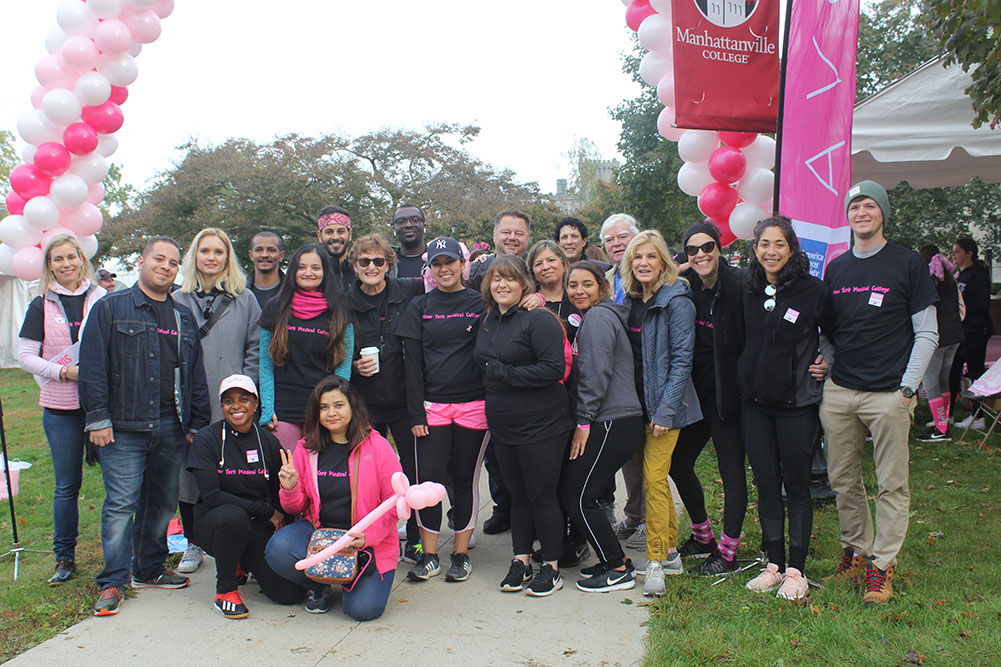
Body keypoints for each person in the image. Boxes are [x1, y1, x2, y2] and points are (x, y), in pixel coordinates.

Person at [79, 236, 212, 616]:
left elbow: (193, 374)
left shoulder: (181, 316)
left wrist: (195, 423)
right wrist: (98, 419)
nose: (166, 267)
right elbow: (92, 369)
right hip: (121, 427)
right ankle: (114, 582)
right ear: (141, 262)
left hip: (172, 426)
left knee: (162, 504)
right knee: (121, 505)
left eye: (173, 263)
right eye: (159, 259)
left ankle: (150, 568)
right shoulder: (110, 309)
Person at [819, 180, 938, 605]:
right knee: (842, 478)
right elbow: (827, 330)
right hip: (841, 392)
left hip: (889, 393)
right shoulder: (837, 268)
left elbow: (927, 332)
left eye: (870, 206)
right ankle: (856, 549)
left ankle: (882, 565)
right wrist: (829, 365)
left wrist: (908, 387)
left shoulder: (907, 264)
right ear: (847, 216)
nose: (862, 213)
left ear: (882, 213)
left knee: (892, 483)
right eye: (855, 207)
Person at [738, 216, 830, 600]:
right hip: (755, 405)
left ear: (791, 248)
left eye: (779, 244)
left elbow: (835, 335)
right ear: (755, 249)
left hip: (797, 404)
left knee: (796, 487)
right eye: (763, 244)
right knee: (765, 484)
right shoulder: (749, 287)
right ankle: (774, 565)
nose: (770, 251)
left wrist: (826, 360)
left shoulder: (813, 291)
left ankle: (797, 570)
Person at [265, 376, 403, 621]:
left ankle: (351, 577)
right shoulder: (306, 448)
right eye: (324, 407)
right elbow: (296, 506)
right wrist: (290, 488)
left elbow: (394, 504)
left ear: (353, 407)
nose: (332, 413)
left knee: (362, 611)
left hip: (365, 543)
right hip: (321, 535)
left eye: (339, 405)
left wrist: (368, 537)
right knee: (278, 549)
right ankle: (320, 584)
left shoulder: (377, 446)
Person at [474, 255, 573, 596]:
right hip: (504, 424)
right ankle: (521, 559)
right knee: (517, 495)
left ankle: (552, 566)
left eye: (510, 279)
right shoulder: (488, 320)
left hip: (542, 424)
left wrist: (507, 374)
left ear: (524, 284)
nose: (502, 285)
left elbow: (553, 369)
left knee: (541, 495)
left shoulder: (538, 320)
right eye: (496, 279)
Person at [18, 234, 106, 585]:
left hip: (102, 406)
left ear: (81, 259)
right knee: (67, 486)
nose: (66, 264)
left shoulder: (103, 298)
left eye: (71, 257)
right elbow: (25, 357)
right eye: (58, 259)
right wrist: (63, 372)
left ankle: (121, 553)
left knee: (118, 485)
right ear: (49, 265)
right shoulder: (40, 304)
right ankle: (64, 557)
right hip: (61, 410)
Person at [397, 237, 487, 583]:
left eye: (450, 262)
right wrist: (415, 415)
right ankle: (430, 555)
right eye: (437, 263)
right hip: (431, 408)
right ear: (429, 269)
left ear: (462, 264)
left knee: (464, 482)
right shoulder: (419, 305)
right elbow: (412, 365)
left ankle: (460, 554)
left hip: (473, 406)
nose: (444, 269)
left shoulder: (480, 302)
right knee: (427, 485)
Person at [173, 227, 262, 574]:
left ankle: (235, 542)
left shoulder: (245, 299)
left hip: (231, 398)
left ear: (229, 258)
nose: (211, 257)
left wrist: (247, 393)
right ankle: (193, 542)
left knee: (232, 472)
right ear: (194, 256)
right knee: (190, 473)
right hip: (191, 399)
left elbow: (254, 347)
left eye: (219, 251)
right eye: (204, 251)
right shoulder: (177, 299)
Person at [621, 230, 702, 597]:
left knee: (654, 480)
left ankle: (654, 562)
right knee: (653, 478)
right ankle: (670, 551)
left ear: (663, 262)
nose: (643, 263)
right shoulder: (635, 300)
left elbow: (683, 360)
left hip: (664, 410)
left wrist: (666, 410)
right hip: (637, 407)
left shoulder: (677, 300)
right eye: (637, 257)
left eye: (651, 256)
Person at [560, 260, 646, 593]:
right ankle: (612, 560)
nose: (578, 291)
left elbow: (596, 375)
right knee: (582, 494)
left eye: (586, 284)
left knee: (578, 496)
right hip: (610, 419)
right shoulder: (597, 318)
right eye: (573, 285)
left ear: (602, 287)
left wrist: (583, 421)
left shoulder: (597, 319)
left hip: (612, 419)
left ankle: (617, 568)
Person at [187, 375, 303, 619]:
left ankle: (244, 563)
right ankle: (226, 590)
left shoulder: (268, 442)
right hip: (215, 523)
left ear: (255, 404)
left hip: (254, 524)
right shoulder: (207, 439)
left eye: (243, 399)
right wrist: (266, 512)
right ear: (222, 407)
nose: (236, 406)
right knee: (233, 516)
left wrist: (281, 529)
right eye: (228, 401)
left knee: (289, 595)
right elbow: (211, 497)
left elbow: (277, 494)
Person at [672, 221, 749, 576]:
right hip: (698, 397)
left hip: (730, 397)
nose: (700, 254)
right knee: (677, 462)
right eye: (692, 250)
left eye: (707, 248)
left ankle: (728, 553)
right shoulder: (688, 287)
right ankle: (703, 537)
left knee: (731, 473)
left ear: (719, 248)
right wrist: (683, 266)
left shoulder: (740, 286)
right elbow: (657, 275)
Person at [346, 234, 423, 562]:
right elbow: (333, 348)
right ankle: (371, 538)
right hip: (365, 404)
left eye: (379, 261)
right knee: (365, 477)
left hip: (405, 399)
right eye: (365, 261)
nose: (372, 267)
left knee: (415, 472)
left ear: (389, 265)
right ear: (354, 265)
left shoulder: (410, 292)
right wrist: (352, 366)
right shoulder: (344, 301)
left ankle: (419, 539)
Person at [469, 211, 533, 535]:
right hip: (485, 372)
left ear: (527, 237)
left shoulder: (537, 268)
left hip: (524, 375)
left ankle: (526, 509)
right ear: (494, 235)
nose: (512, 238)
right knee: (494, 452)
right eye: (506, 231)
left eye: (518, 233)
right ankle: (502, 507)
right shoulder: (478, 270)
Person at [258, 244, 354, 450]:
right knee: (286, 475)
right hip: (283, 410)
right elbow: (265, 364)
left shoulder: (340, 309)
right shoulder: (275, 307)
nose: (308, 273)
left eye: (316, 268)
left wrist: (337, 408)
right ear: (293, 271)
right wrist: (267, 409)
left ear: (325, 272)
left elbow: (343, 367)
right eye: (301, 267)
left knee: (318, 475)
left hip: (323, 409)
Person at [598, 213, 645, 549]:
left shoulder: (647, 277)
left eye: (622, 236)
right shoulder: (603, 280)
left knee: (648, 456)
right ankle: (634, 514)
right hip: (614, 376)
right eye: (610, 239)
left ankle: (649, 519)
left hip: (644, 372)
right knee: (628, 453)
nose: (617, 243)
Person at [917, 245, 964, 441]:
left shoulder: (930, 283)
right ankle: (942, 422)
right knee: (943, 379)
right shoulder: (951, 282)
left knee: (931, 381)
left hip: (937, 338)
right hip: (955, 336)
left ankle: (940, 428)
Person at [950, 237, 993, 430]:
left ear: (969, 253)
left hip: (975, 330)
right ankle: (947, 413)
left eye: (958, 251)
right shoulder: (960, 274)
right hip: (961, 330)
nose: (954, 255)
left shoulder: (977, 275)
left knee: (975, 370)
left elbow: (980, 305)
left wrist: (964, 314)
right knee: (953, 369)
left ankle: (979, 416)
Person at [528, 240, 581, 344]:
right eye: (538, 264)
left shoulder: (577, 299)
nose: (546, 267)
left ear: (564, 265)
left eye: (551, 260)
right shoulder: (528, 302)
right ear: (533, 272)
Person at [316, 205, 356, 291]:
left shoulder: (362, 269)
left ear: (350, 234)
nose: (335, 237)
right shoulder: (314, 272)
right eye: (329, 232)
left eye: (341, 232)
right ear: (319, 236)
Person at [391, 203, 428, 287]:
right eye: (401, 222)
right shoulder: (384, 263)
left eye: (415, 220)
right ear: (394, 228)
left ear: (424, 226)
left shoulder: (436, 259)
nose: (408, 225)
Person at [246, 231, 286, 308]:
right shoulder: (238, 293)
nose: (264, 255)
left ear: (281, 255)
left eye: (271, 250)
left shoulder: (293, 292)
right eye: (258, 250)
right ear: (251, 255)